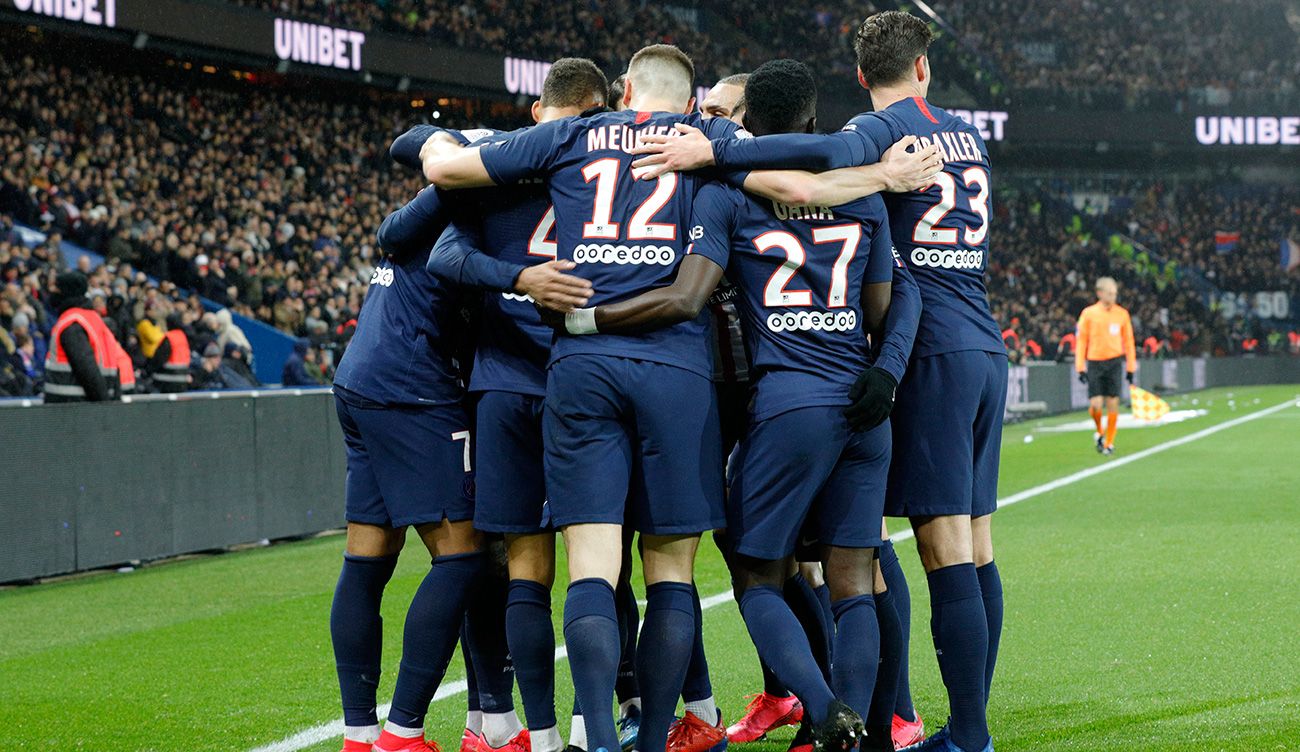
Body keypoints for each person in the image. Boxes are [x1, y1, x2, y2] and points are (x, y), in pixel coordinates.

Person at [629, 12, 1007, 752]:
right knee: (915, 555)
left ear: (863, 79)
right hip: (960, 344)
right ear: (925, 67)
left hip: (880, 367)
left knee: (928, 550)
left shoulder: (864, 141)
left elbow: (818, 162)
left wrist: (720, 148)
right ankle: (926, 723)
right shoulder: (959, 140)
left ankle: (947, 729)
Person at [424, 58, 609, 752]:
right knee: (600, 561)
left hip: (505, 384)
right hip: (585, 382)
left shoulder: (493, 164)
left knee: (524, 564)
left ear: (538, 112)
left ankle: (541, 733)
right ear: (601, 113)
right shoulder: (610, 175)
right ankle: (597, 726)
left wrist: (518, 276)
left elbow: (445, 255)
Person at [326, 164, 481, 752]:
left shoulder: (426, 207)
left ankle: (359, 734)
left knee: (368, 557)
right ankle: (403, 731)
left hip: (359, 379)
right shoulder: (469, 215)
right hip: (412, 390)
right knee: (462, 556)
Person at [1075, 276, 1136, 456]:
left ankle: (1109, 442)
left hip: (1115, 362)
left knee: (1112, 403)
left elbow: (1129, 341)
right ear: (1100, 293)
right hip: (1095, 362)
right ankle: (1100, 432)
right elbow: (1081, 341)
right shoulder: (1088, 314)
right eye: (1110, 293)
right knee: (1095, 405)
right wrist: (1080, 366)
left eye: (1115, 293)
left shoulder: (1122, 314)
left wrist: (1130, 367)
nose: (1113, 296)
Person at [42, 271, 121, 403]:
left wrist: (104, 405)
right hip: (95, 405)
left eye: (56, 287)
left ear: (66, 291)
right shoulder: (95, 319)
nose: (52, 291)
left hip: (71, 409)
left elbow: (87, 369)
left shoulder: (72, 323)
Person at [148, 313, 191, 393]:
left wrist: (149, 370)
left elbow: (159, 359)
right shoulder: (183, 336)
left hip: (166, 381)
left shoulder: (169, 338)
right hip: (182, 380)